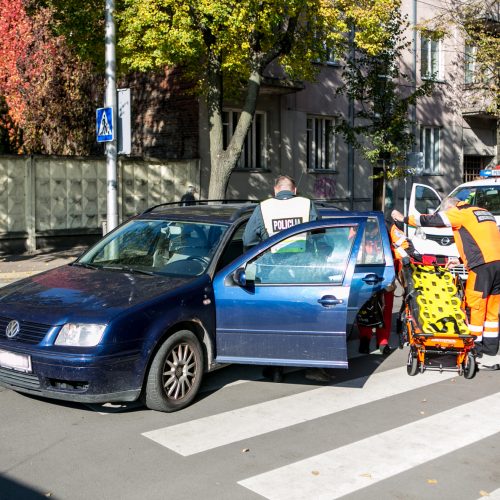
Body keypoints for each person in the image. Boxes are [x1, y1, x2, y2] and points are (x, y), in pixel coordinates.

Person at [243, 175, 332, 382]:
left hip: (273, 273)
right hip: (303, 272)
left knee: (275, 320)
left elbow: (248, 240)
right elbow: (321, 236)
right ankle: (312, 368)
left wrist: (260, 259)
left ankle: (275, 369)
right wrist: (323, 256)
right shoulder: (306, 204)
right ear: (294, 191)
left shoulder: (263, 208)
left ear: (275, 190)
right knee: (308, 319)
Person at [392, 198, 500, 361]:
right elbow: (484, 242)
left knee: (476, 305)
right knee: (493, 308)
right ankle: (491, 349)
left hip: (482, 267)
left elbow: (432, 220)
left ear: (449, 207)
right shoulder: (484, 213)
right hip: (497, 264)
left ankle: (474, 347)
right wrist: (462, 260)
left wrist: (404, 219)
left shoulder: (460, 212)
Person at [357, 220, 394, 355]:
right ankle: (365, 339)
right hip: (365, 279)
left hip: (385, 278)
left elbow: (396, 256)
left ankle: (383, 341)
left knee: (385, 311)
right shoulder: (358, 237)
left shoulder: (387, 237)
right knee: (363, 310)